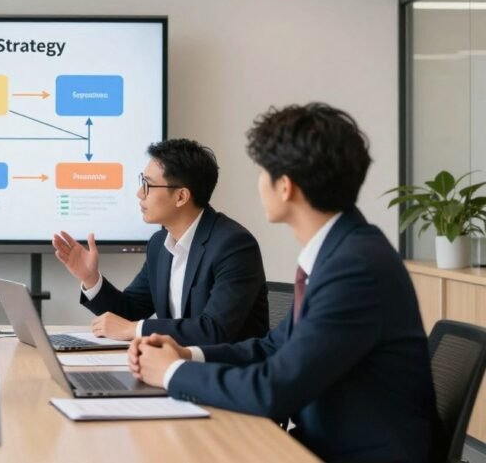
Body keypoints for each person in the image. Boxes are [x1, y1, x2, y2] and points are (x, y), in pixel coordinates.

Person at [128, 104, 435, 463]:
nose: (259, 183)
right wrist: (188, 354)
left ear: (285, 186)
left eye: (263, 172)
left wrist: (172, 372)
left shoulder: (355, 268)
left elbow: (273, 389)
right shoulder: (340, 251)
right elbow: (273, 348)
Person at [53, 138, 268, 344]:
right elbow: (129, 312)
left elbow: (214, 331)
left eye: (148, 185)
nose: (139, 193)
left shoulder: (233, 245)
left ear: (181, 197)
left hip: (225, 367)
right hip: (175, 363)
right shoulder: (159, 244)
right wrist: (91, 279)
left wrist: (134, 329)